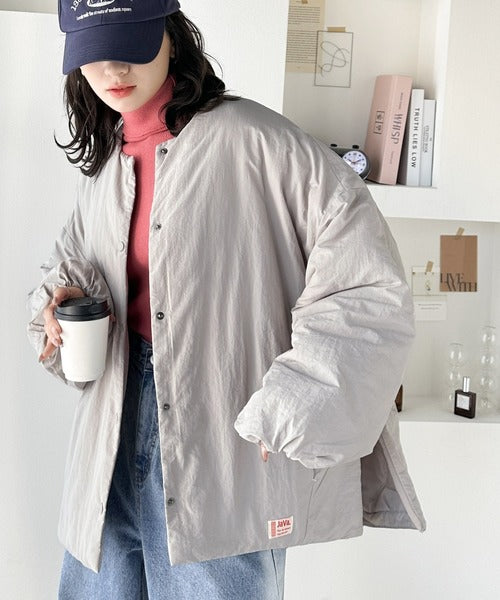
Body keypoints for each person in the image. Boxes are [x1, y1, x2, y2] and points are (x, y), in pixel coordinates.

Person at [26, 1, 426, 598]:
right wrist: (59, 305)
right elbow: (74, 264)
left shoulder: (258, 140)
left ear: (170, 34)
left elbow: (366, 277)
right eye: (93, 55)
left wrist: (297, 395)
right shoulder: (108, 167)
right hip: (107, 442)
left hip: (221, 432)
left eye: (129, 46)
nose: (113, 70)